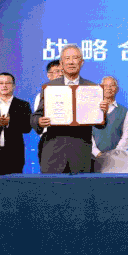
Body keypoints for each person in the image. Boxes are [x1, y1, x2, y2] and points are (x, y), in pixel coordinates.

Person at [31, 44, 109, 173]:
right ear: (61, 64)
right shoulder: (50, 87)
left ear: (81, 62)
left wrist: (103, 113)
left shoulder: (92, 88)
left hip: (81, 153)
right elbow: (35, 116)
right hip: (53, 152)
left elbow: (101, 124)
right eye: (67, 58)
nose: (71, 62)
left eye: (75, 58)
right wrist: (39, 121)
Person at [91, 76, 128, 172]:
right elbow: (87, 134)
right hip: (93, 158)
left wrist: (115, 155)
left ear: (117, 89)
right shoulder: (92, 109)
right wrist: (97, 154)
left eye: (112, 85)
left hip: (117, 161)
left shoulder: (123, 111)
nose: (109, 88)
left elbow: (126, 136)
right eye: (105, 85)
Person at [34, 60, 63, 164]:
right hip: (50, 140)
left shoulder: (75, 93)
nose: (60, 74)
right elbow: (37, 118)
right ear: (49, 76)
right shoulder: (42, 95)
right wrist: (40, 122)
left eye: (63, 71)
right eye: (57, 71)